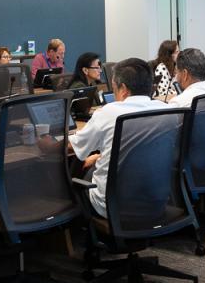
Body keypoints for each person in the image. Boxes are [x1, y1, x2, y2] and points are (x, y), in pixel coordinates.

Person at [69, 58, 170, 216]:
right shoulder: (167, 111)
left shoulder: (109, 112)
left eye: (114, 87)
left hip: (114, 205)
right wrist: (101, 156)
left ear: (123, 89)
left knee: (78, 176)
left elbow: (72, 147)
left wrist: (47, 142)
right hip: (155, 198)